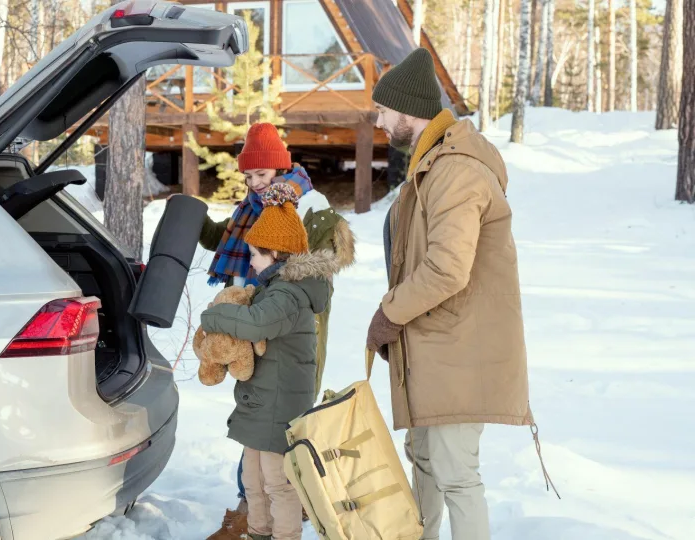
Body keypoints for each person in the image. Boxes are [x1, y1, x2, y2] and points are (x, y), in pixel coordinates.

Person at [366, 48, 543, 540]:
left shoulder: (456, 170)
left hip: (460, 351)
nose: (378, 120)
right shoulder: (431, 166)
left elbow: (447, 269)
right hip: (437, 349)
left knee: (457, 474)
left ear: (407, 109)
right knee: (425, 461)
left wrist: (389, 314)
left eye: (383, 109)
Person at [198, 123, 355, 536]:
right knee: (256, 433)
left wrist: (270, 301)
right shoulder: (255, 206)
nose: (253, 184)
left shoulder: (310, 206)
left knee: (275, 443)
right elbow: (231, 242)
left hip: (286, 333)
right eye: (248, 176)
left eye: (261, 175)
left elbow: (316, 268)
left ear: (281, 170)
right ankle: (255, 516)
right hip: (253, 327)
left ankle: (266, 514)